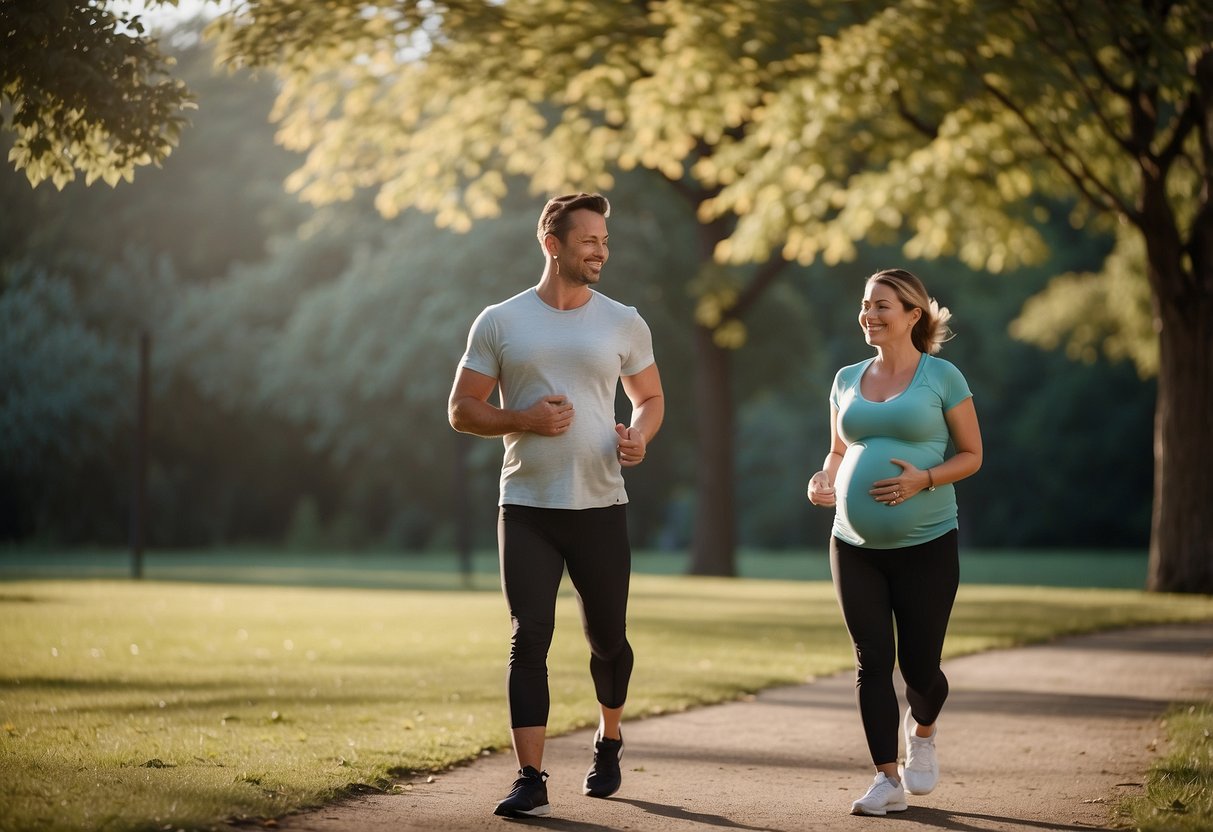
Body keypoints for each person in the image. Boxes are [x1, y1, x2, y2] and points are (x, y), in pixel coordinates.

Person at [447, 192, 665, 819]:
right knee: (529, 638)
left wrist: (639, 435)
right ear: (552, 244)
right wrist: (522, 419)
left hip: (601, 505)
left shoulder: (624, 321)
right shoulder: (501, 320)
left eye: (605, 240)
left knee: (608, 641)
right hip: (528, 507)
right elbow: (462, 409)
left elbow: (649, 397)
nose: (601, 250)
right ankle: (531, 776)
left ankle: (610, 736)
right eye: (589, 240)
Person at [806, 268, 983, 817]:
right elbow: (837, 451)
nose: (870, 314)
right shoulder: (845, 378)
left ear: (913, 314)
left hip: (926, 542)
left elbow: (972, 455)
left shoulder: (942, 377)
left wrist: (921, 480)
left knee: (922, 668)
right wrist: (824, 478)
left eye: (882, 305)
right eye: (865, 304)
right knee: (871, 660)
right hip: (852, 543)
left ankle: (922, 732)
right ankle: (887, 778)